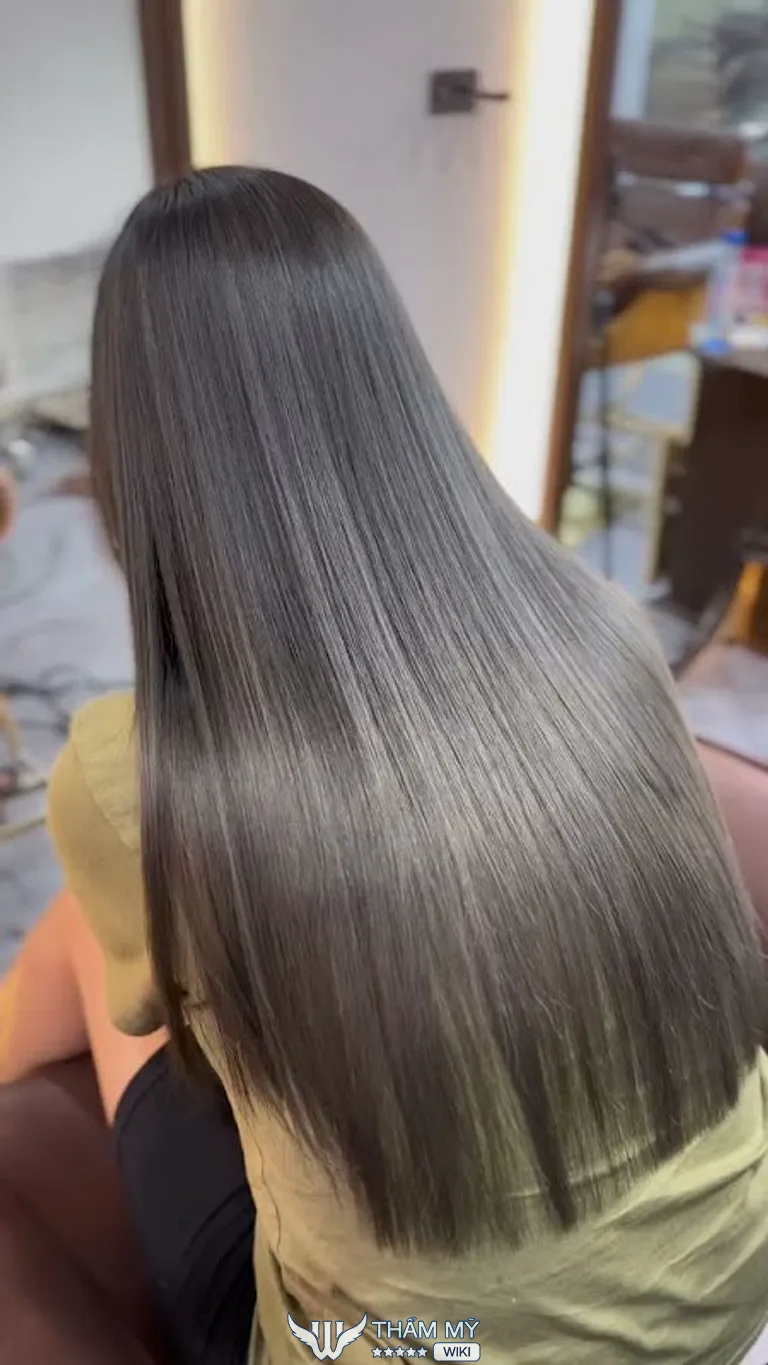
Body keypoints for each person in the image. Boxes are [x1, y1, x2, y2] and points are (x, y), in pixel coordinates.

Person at [2, 166, 768, 1365]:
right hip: (729, 1297)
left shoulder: (136, 770)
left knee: (88, 941)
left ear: (136, 450)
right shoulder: (605, 633)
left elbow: (139, 1020)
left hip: (408, 1346)